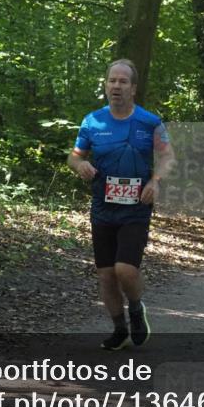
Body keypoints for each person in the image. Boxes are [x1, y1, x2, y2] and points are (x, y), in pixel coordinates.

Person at [68, 59, 174, 350]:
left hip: (136, 207)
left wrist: (155, 181)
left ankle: (137, 309)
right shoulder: (92, 121)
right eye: (112, 81)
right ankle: (119, 330)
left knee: (124, 269)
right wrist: (80, 165)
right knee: (106, 275)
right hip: (103, 207)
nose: (116, 86)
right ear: (106, 85)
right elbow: (74, 155)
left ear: (133, 88)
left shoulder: (149, 122)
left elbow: (167, 156)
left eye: (122, 81)